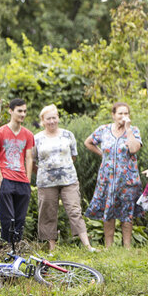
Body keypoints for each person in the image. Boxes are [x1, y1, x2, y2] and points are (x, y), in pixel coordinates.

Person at [34, 104, 94, 251]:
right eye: (48, 118)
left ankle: (87, 245)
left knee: (75, 210)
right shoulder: (36, 138)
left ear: (58, 118)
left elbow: (73, 156)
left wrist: (62, 168)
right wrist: (45, 172)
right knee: (48, 213)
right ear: (43, 120)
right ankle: (52, 248)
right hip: (46, 182)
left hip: (69, 180)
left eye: (54, 117)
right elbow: (32, 160)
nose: (52, 121)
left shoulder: (68, 134)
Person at [84, 102, 143, 248]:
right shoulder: (103, 130)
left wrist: (128, 129)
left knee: (127, 213)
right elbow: (88, 142)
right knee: (108, 212)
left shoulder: (134, 130)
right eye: (120, 113)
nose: (123, 116)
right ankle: (108, 247)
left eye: (126, 113)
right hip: (107, 179)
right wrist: (102, 154)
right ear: (113, 115)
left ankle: (127, 247)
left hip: (127, 180)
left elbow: (134, 149)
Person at [0, 98, 35, 245]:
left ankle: (17, 246)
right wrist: (0, 178)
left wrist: (28, 179)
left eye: (24, 111)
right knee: (7, 216)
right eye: (19, 111)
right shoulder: (0, 132)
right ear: (11, 111)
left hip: (22, 179)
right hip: (6, 178)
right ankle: (8, 247)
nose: (22, 114)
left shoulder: (28, 134)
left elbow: (29, 158)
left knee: (20, 218)